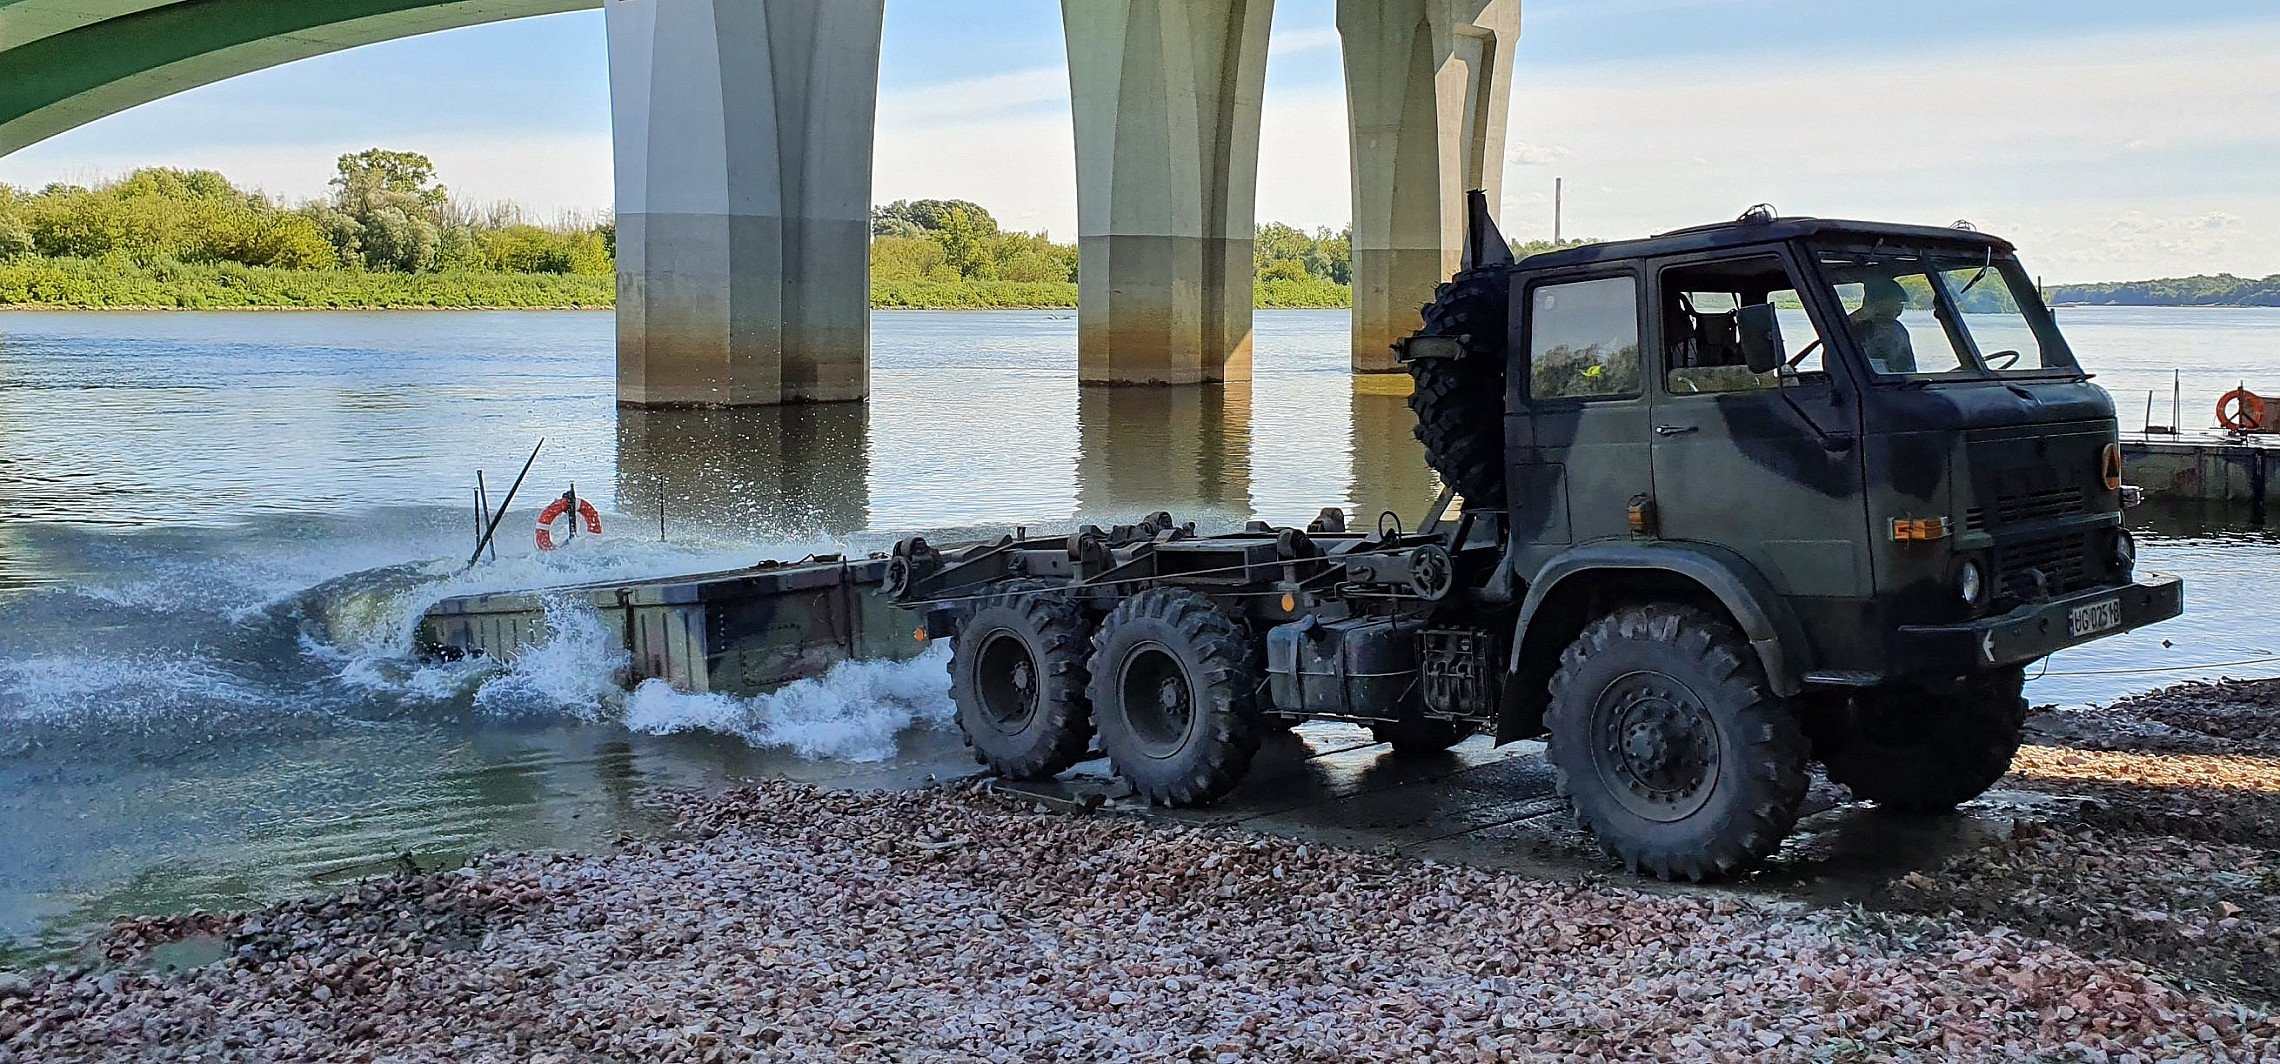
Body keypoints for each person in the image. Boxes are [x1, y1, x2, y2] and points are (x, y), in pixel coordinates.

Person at [1848, 276, 1917, 373]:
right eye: (1898, 302)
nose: (1900, 307)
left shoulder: (1898, 329)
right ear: (1879, 302)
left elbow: (1909, 370)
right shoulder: (1855, 328)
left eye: (1902, 303)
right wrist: (1862, 314)